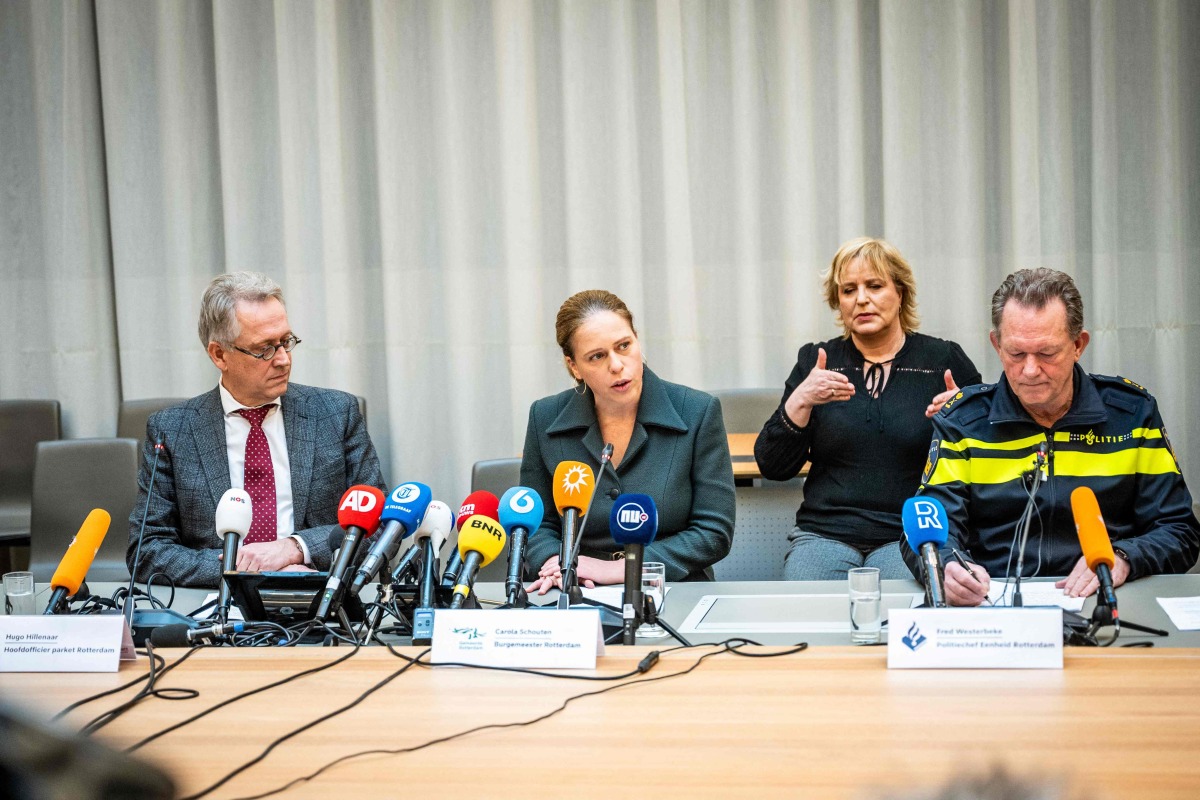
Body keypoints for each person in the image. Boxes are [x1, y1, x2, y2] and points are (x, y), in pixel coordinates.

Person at [902, 268, 1200, 605]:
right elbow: (927, 532)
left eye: (1047, 354)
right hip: (993, 602)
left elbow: (1180, 531)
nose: (1030, 370)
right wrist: (946, 567)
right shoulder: (963, 422)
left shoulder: (1132, 416)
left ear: (1078, 345)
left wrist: (1124, 558)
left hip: (1107, 597)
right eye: (1016, 354)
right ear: (997, 345)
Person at [127, 272, 385, 588]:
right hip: (217, 602)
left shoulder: (336, 414)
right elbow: (147, 550)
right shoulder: (172, 430)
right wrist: (244, 570)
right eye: (264, 349)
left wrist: (295, 548)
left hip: (317, 594)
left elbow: (381, 525)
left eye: (286, 342)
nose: (283, 360)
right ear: (219, 354)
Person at [755, 237, 981, 581]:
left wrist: (961, 420)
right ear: (839, 301)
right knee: (807, 609)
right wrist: (801, 400)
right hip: (825, 534)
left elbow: (988, 457)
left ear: (900, 293)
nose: (861, 299)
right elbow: (772, 466)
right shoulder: (817, 361)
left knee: (902, 610)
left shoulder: (943, 361)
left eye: (874, 286)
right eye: (849, 290)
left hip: (909, 534)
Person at [520, 290, 735, 592]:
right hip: (573, 585)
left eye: (624, 346)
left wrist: (620, 569)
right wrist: (558, 563)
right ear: (574, 366)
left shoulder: (697, 411)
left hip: (669, 586)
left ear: (637, 340)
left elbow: (714, 532)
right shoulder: (544, 417)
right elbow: (536, 522)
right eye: (597, 356)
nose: (617, 365)